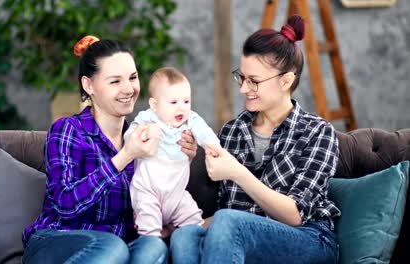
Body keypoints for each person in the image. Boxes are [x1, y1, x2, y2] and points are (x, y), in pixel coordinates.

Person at [170, 15, 340, 264]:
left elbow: (295, 215)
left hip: (309, 238)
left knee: (228, 221)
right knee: (184, 237)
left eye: (254, 81)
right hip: (246, 235)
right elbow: (228, 216)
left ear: (286, 81)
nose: (243, 88)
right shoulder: (232, 131)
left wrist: (238, 173)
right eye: (241, 77)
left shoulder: (318, 132)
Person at [21, 35, 198, 264]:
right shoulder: (68, 131)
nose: (129, 89)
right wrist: (125, 156)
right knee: (111, 245)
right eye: (115, 81)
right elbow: (65, 204)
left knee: (153, 247)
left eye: (132, 78)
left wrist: (181, 160)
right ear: (88, 85)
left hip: (115, 251)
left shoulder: (143, 139)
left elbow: (153, 202)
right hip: (56, 242)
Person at [124, 67, 220, 237]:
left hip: (176, 194)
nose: (181, 108)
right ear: (155, 105)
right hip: (148, 191)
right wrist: (145, 133)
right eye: (173, 102)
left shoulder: (191, 119)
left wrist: (214, 147)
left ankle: (193, 242)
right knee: (149, 227)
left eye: (186, 101)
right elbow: (129, 137)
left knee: (193, 219)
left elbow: (206, 133)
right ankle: (152, 243)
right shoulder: (147, 119)